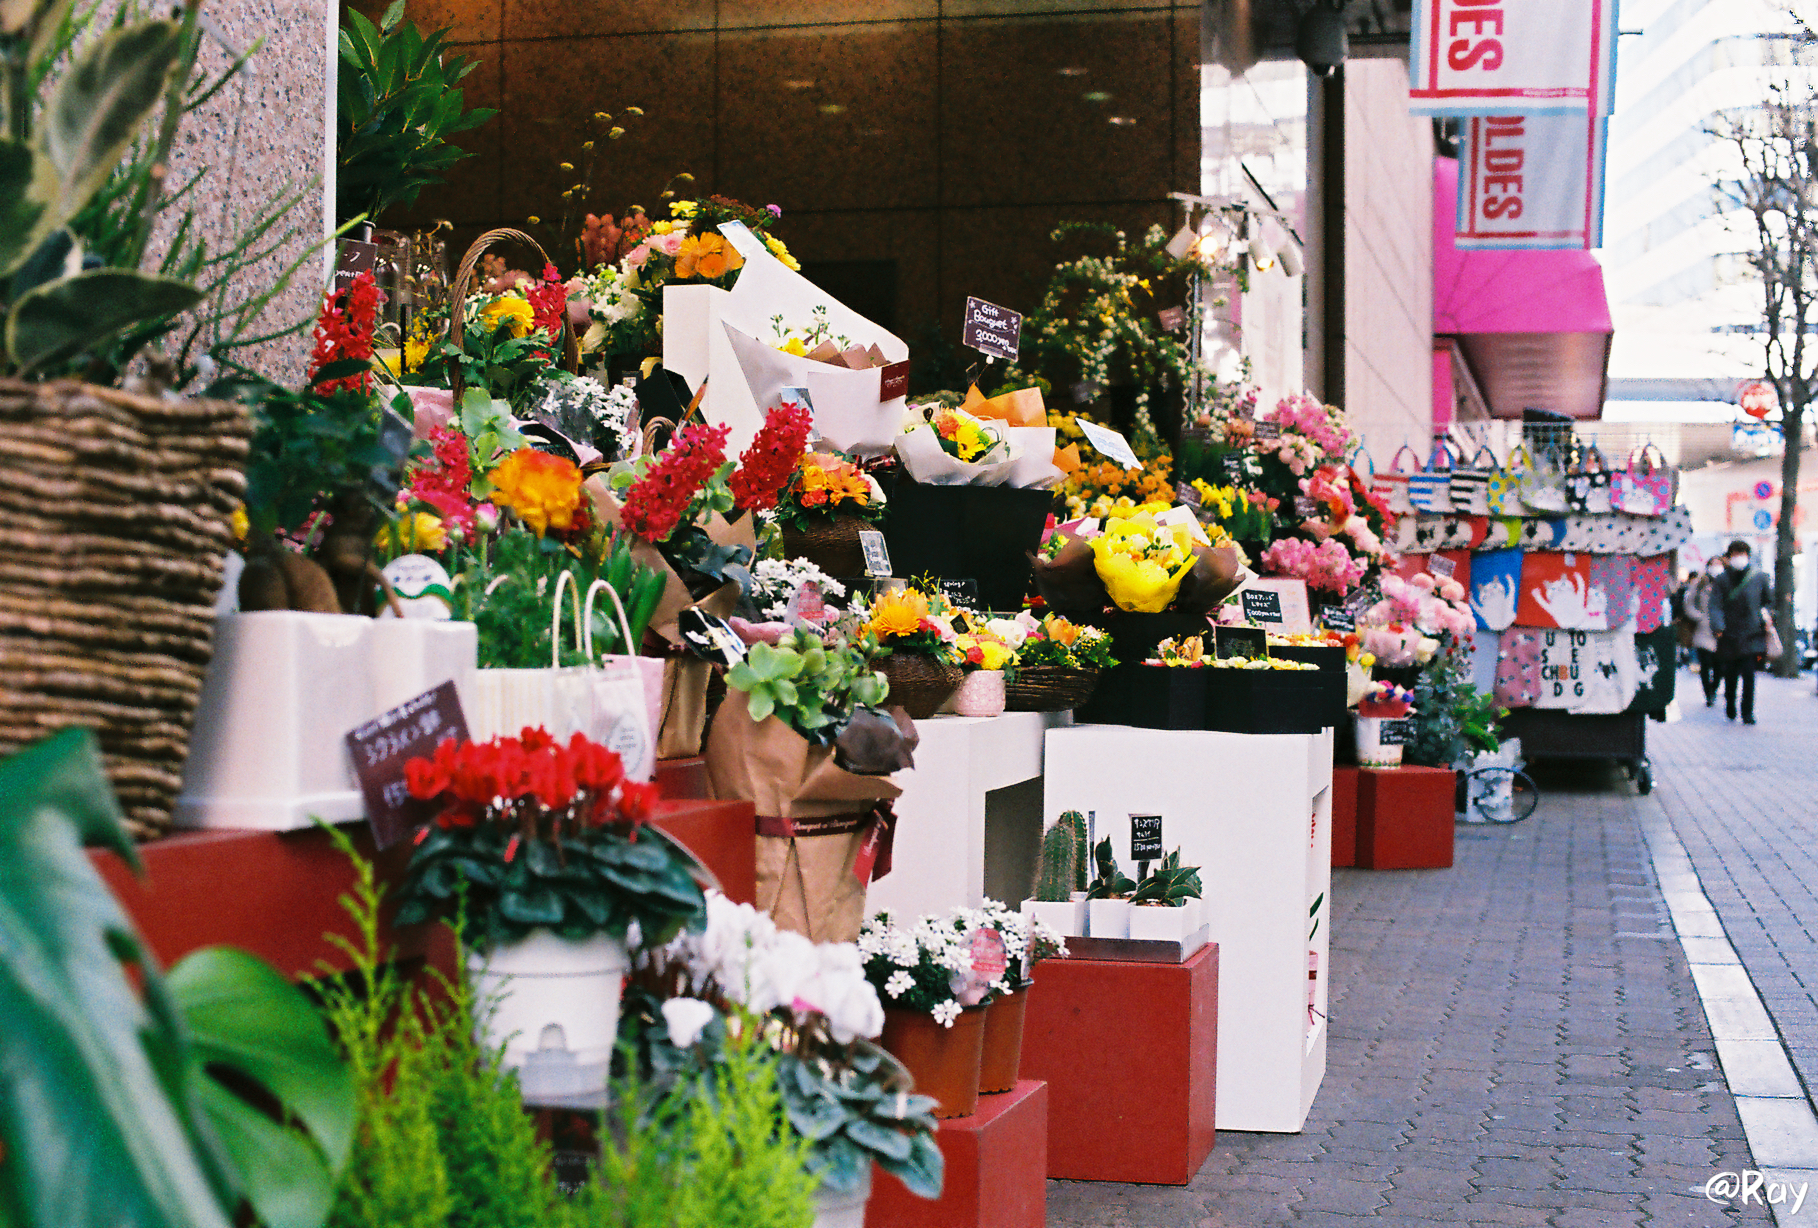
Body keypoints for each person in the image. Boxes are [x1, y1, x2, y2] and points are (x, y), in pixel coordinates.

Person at [1711, 540, 1773, 724]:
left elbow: (1768, 601)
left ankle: (1747, 711)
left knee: (1749, 675)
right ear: (1729, 556)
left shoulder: (1759, 577)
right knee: (1730, 675)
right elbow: (1715, 605)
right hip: (1728, 635)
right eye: (1735, 553)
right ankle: (1730, 704)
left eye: (1742, 553)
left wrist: (1766, 617)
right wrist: (1719, 627)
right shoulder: (1722, 580)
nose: (1739, 557)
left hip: (1752, 635)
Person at [1683, 558, 1724, 706]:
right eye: (1713, 564)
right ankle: (1708, 693)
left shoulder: (1726, 583)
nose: (1716, 567)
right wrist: (1698, 617)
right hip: (1703, 629)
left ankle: (1715, 687)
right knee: (1705, 664)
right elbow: (1688, 603)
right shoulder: (1700, 584)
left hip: (1721, 630)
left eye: (1718, 564)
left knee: (1719, 665)